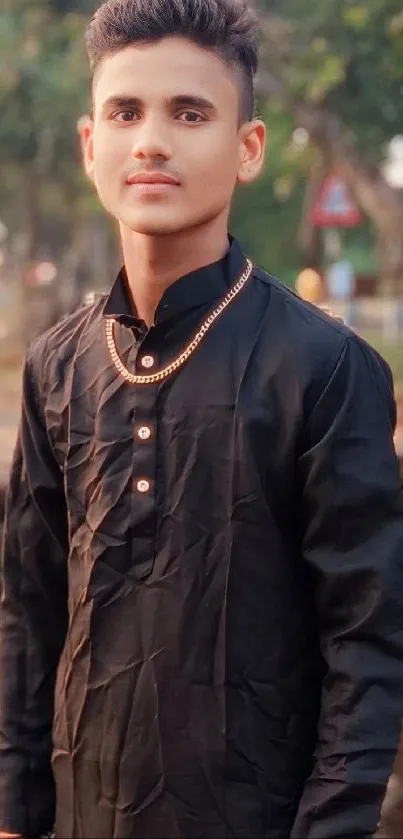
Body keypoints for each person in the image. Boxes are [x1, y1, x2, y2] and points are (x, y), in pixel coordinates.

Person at [1, 1, 403, 837]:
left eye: (190, 113)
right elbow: (27, 615)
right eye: (125, 112)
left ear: (246, 147)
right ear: (89, 146)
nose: (151, 140)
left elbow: (366, 640)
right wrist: (14, 810)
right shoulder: (58, 368)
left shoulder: (323, 369)